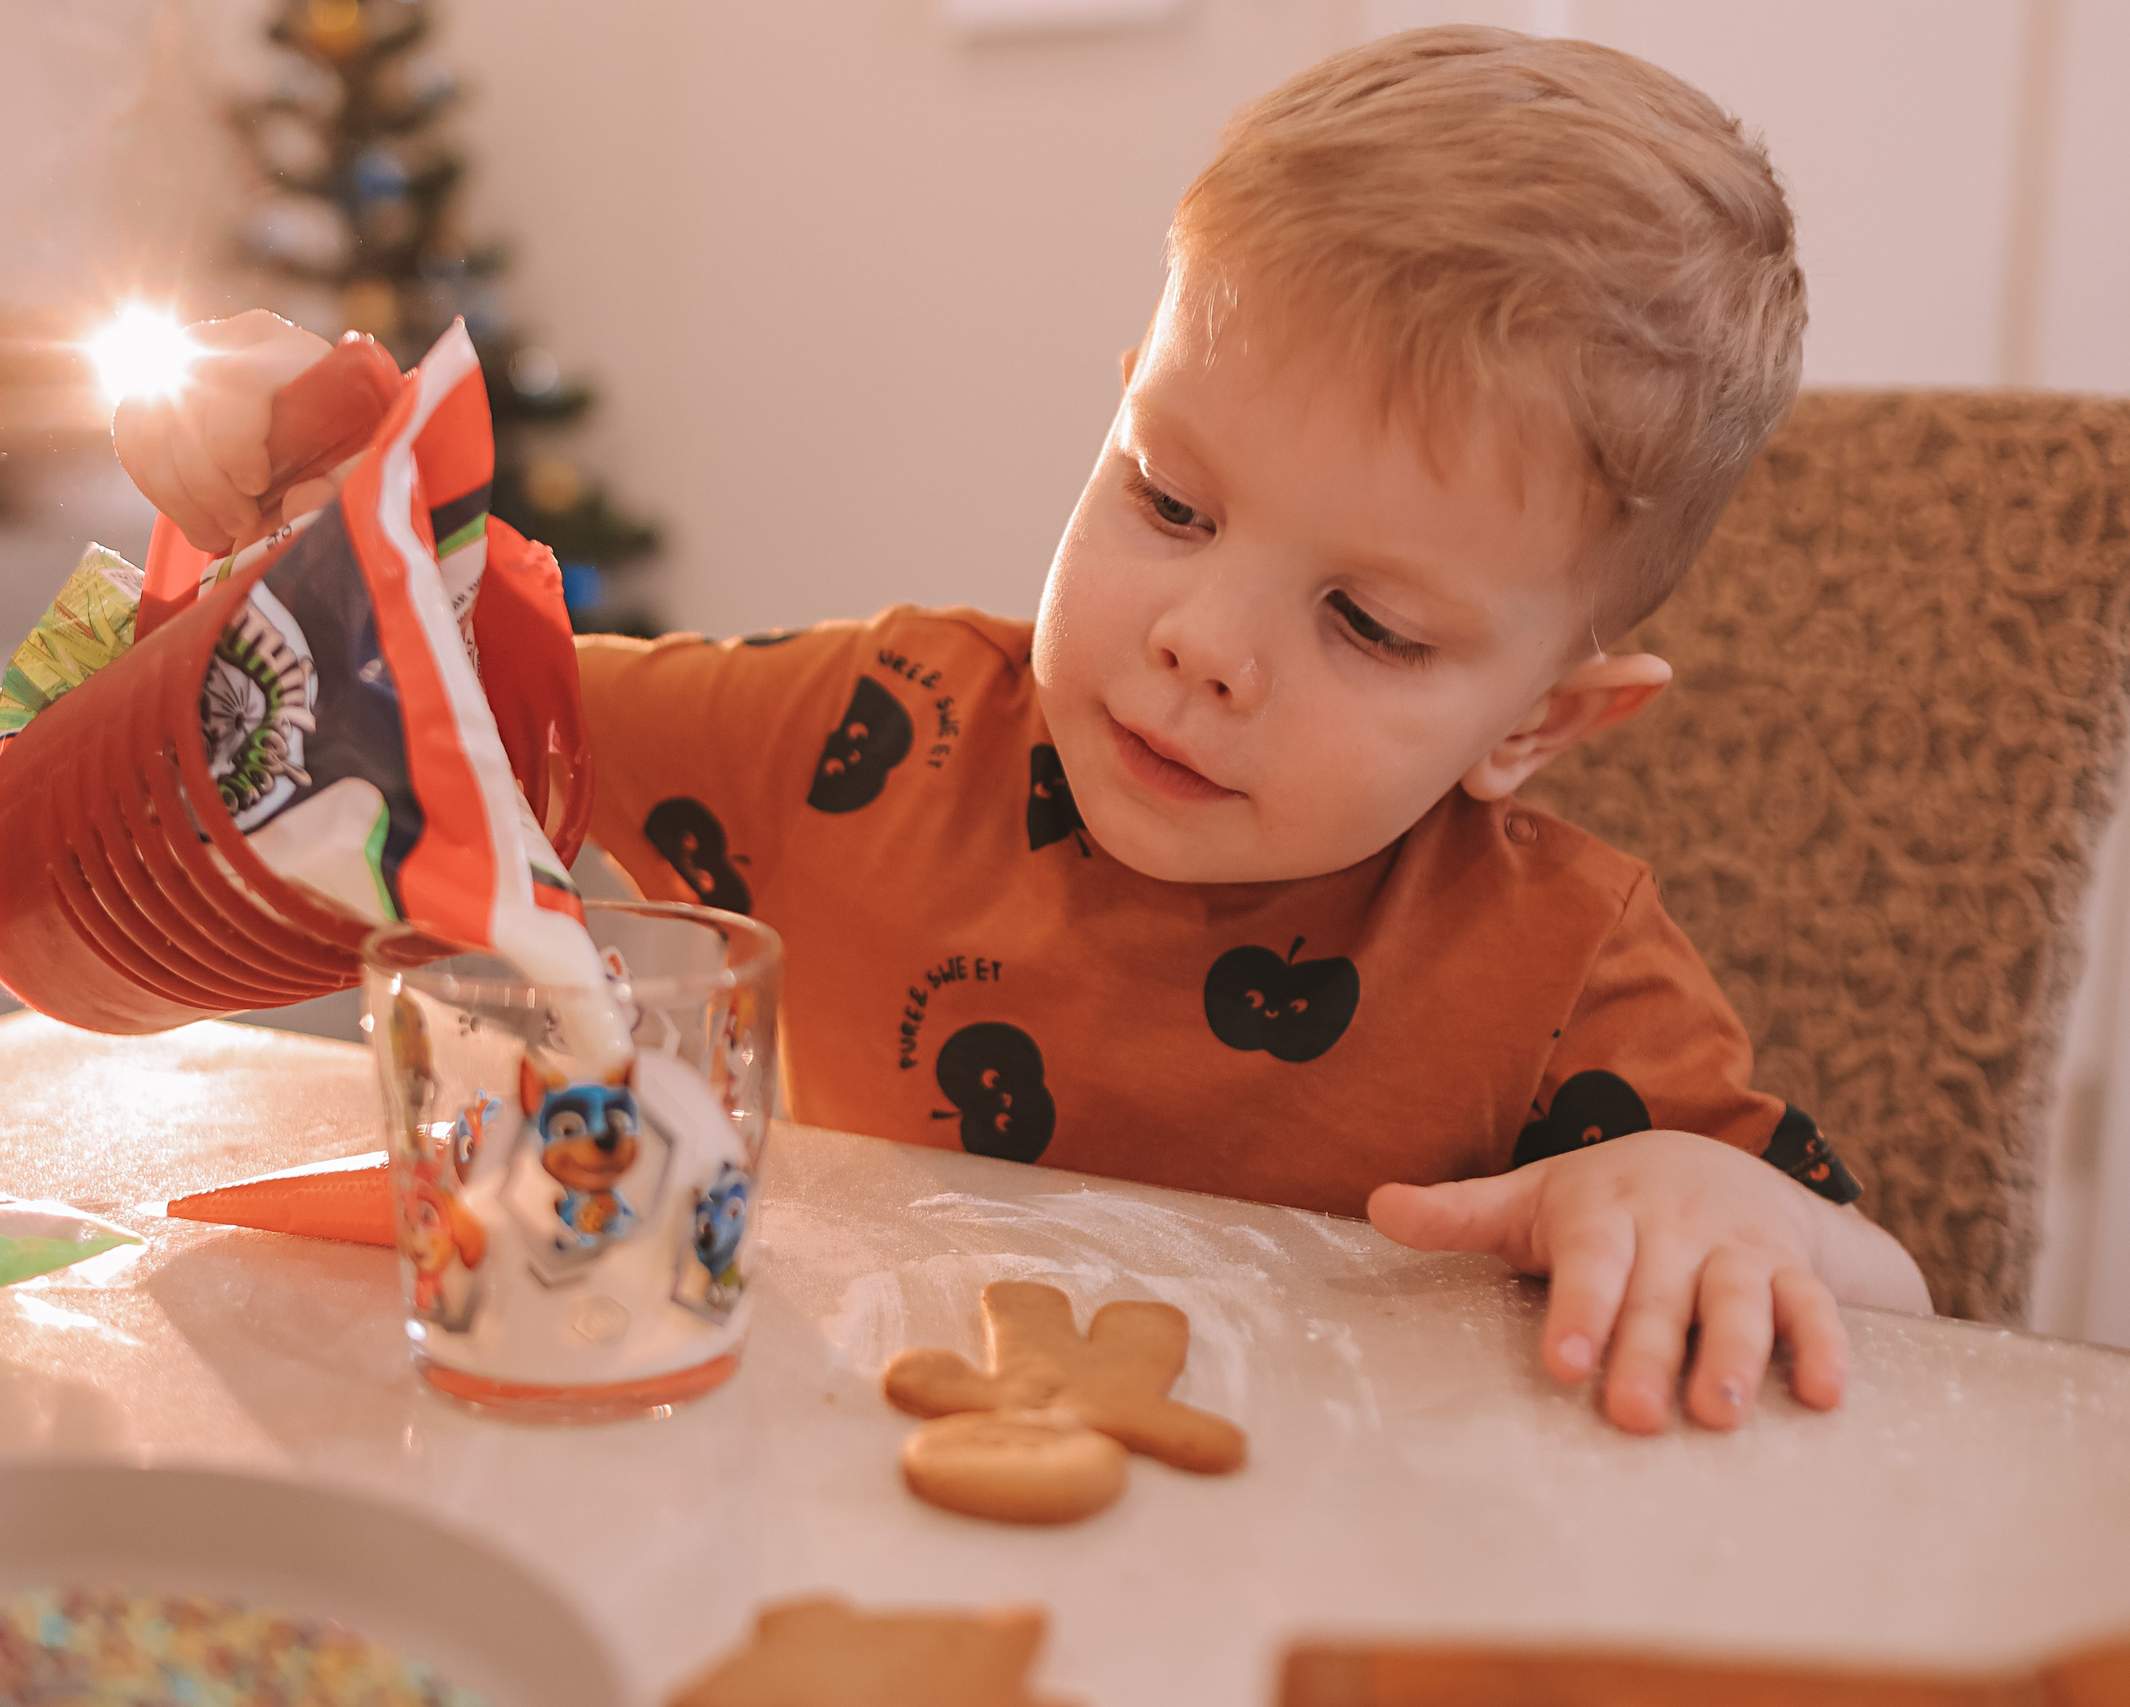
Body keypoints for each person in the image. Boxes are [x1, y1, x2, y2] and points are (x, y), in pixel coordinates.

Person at [114, 25, 1933, 1436]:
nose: (1203, 643)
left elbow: (1909, 1314)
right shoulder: (867, 732)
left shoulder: (1560, 964)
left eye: (1367, 622)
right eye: (1170, 501)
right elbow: (469, 690)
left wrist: (1713, 1205)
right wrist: (319, 482)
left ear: (1540, 723)